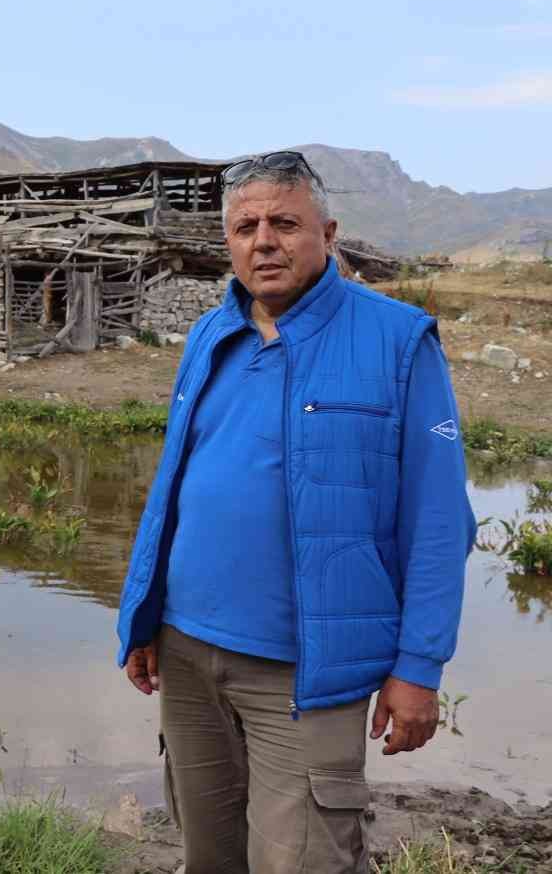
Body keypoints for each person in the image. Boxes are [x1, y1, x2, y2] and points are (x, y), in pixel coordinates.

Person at [114, 150, 475, 873]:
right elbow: (173, 486)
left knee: (305, 859)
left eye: (285, 222)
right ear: (228, 242)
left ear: (327, 233)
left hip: (305, 673)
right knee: (208, 852)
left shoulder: (398, 341)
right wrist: (142, 614)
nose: (264, 241)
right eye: (246, 226)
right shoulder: (210, 337)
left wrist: (418, 667)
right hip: (187, 654)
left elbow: (439, 523)